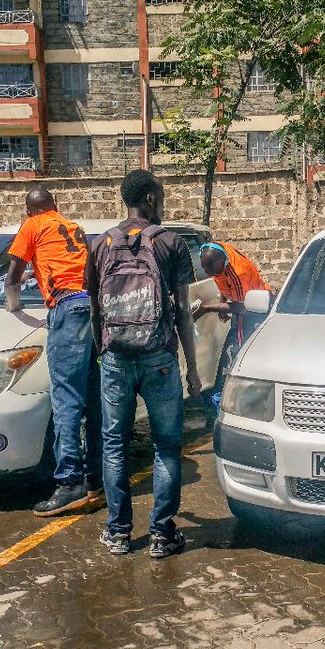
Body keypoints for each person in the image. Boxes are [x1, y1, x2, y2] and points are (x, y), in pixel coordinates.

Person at [86, 170, 202, 558]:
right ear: (150, 199)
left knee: (114, 445)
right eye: (161, 197)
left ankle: (118, 533)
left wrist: (103, 354)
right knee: (166, 446)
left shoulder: (101, 244)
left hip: (116, 358)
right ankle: (162, 535)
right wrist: (192, 368)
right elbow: (182, 309)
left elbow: (95, 310)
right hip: (160, 359)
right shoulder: (171, 242)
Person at [5, 189, 103, 517]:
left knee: (66, 400)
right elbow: (72, 266)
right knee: (93, 398)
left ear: (29, 210)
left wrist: (13, 303)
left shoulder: (32, 225)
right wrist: (38, 273)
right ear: (55, 206)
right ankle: (95, 479)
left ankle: (69, 483)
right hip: (92, 308)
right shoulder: (73, 228)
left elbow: (12, 275)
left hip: (67, 310)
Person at [192, 241, 271, 408]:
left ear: (224, 263)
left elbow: (243, 308)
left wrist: (206, 308)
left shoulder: (239, 273)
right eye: (205, 269)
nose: (208, 273)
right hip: (242, 302)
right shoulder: (216, 252)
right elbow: (222, 282)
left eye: (212, 271)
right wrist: (222, 301)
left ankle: (246, 399)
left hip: (254, 309)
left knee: (242, 350)